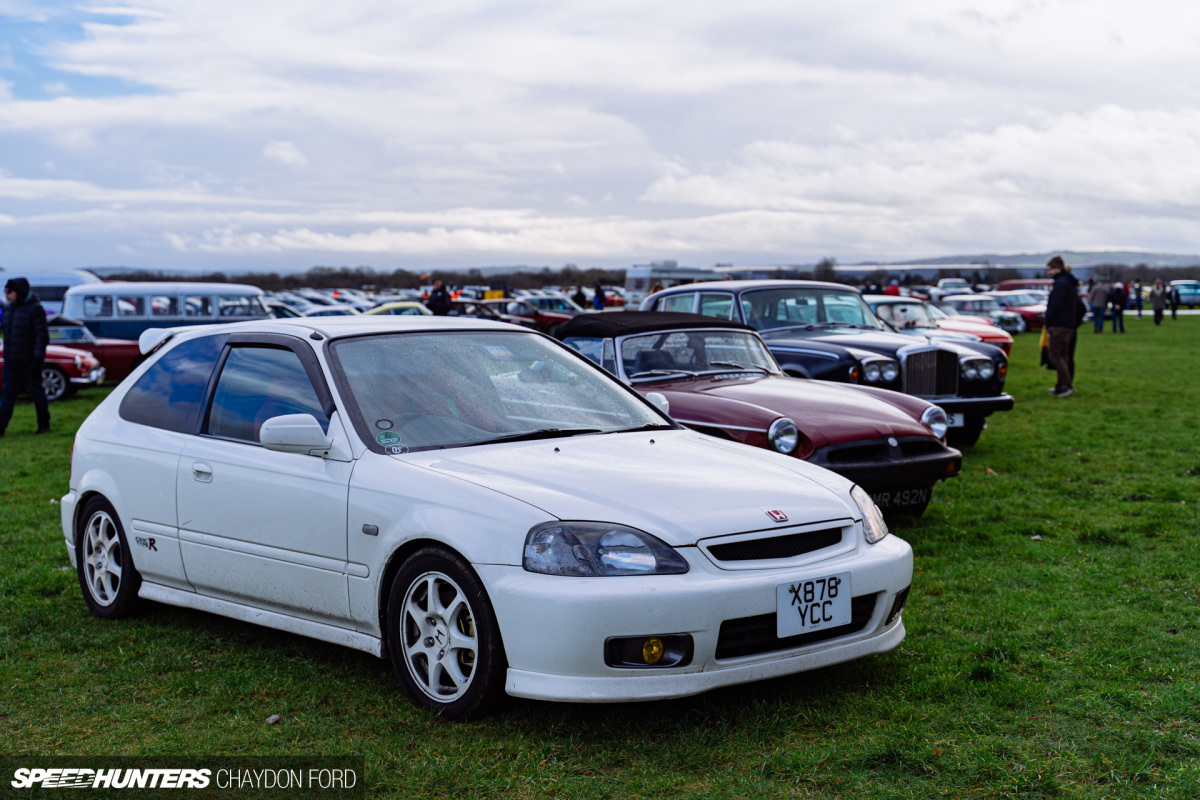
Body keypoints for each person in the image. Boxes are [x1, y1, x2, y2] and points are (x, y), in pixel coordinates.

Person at [0, 277, 52, 436]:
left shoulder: (35, 309)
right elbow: (7, 336)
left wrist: (37, 360)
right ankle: (1, 427)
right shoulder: (9, 309)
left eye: (10, 291)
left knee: (37, 394)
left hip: (30, 362)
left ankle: (44, 426)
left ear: (19, 291)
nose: (6, 294)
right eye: (6, 291)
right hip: (12, 361)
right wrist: (7, 357)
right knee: (7, 394)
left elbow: (41, 337)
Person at [1043, 257, 1078, 397]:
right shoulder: (1068, 282)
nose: (1048, 272)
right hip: (1068, 325)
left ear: (1057, 268)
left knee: (1055, 356)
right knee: (1063, 356)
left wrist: (1048, 320)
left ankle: (1067, 386)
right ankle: (1060, 386)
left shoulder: (1060, 284)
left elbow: (1056, 306)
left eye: (1050, 269)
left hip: (1059, 325)